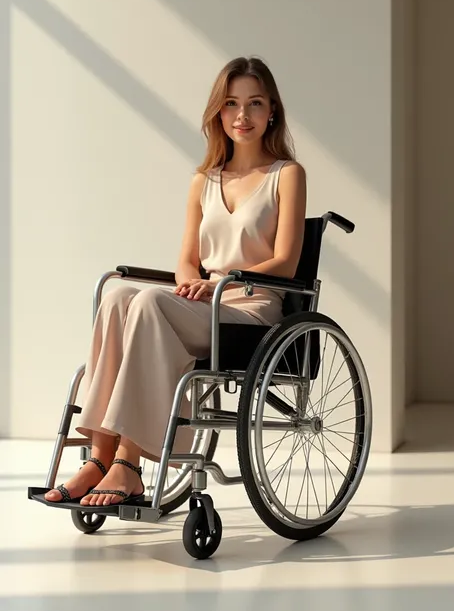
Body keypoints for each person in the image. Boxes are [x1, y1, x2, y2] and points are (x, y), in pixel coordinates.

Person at [45, 56, 306, 507]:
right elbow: (187, 260)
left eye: (254, 104)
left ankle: (128, 464)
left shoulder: (287, 175)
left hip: (253, 311)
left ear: (272, 112)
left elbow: (286, 262)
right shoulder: (203, 180)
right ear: (218, 113)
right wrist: (192, 284)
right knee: (119, 295)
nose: (242, 116)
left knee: (148, 304)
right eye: (231, 104)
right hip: (207, 302)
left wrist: (215, 286)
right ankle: (100, 455)